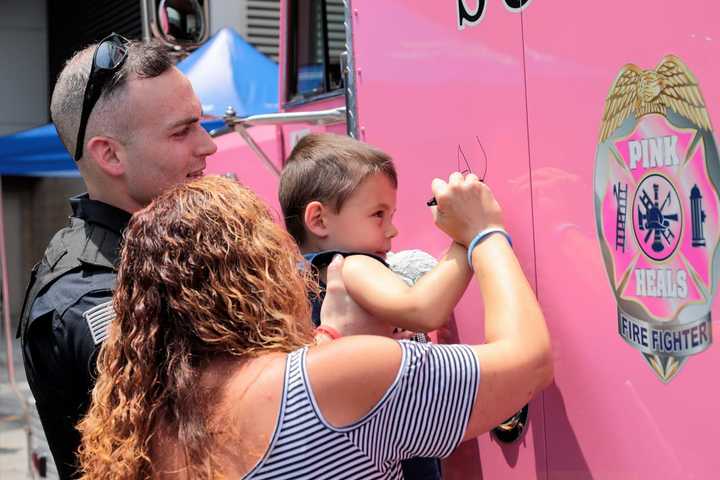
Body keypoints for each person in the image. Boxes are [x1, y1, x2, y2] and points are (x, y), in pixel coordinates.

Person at [78, 174, 553, 479]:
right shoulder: (330, 380)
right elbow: (529, 365)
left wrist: (328, 340)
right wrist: (483, 234)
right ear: (255, 272)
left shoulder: (142, 426)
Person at [17, 34, 217, 478]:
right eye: (182, 131)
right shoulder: (90, 296)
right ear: (109, 154)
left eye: (201, 124)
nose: (208, 146)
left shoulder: (170, 247)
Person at [279, 133, 471, 336]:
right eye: (378, 214)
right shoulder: (350, 266)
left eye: (391, 216)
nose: (392, 231)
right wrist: (466, 238)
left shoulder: (291, 282)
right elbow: (421, 311)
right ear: (319, 220)